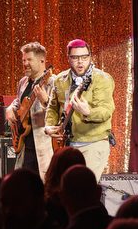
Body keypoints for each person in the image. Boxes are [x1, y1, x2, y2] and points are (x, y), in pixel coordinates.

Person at [45, 38, 115, 181]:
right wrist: (49, 126)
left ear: (90, 56)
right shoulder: (60, 80)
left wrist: (88, 112)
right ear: (68, 58)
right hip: (67, 145)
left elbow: (106, 110)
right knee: (62, 187)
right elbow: (52, 107)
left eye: (84, 57)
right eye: (75, 58)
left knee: (83, 187)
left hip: (93, 142)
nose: (80, 62)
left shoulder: (102, 79)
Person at [5, 41, 55, 179]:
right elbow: (19, 101)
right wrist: (10, 108)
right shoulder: (23, 82)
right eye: (23, 60)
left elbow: (60, 113)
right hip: (24, 147)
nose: (25, 63)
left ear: (42, 61)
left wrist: (46, 101)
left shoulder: (53, 82)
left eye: (29, 60)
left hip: (43, 147)